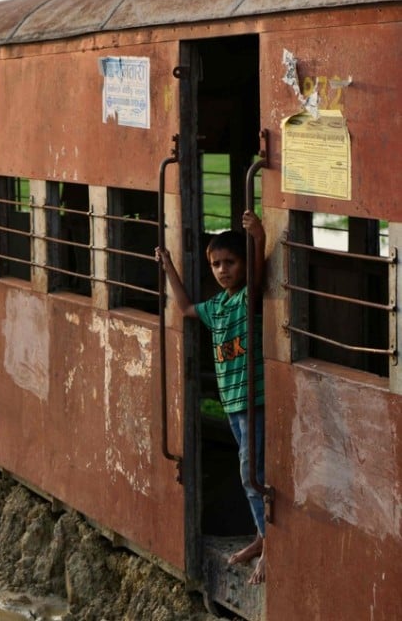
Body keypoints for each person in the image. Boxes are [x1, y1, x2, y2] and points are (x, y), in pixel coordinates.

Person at [156, 210, 267, 585]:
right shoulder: (217, 307)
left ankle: (269, 545)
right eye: (216, 264)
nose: (223, 270)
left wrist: (259, 237)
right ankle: (260, 537)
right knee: (249, 473)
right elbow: (186, 307)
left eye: (230, 263)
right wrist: (168, 266)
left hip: (253, 404)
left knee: (252, 475)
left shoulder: (247, 299)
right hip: (233, 407)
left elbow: (256, 274)